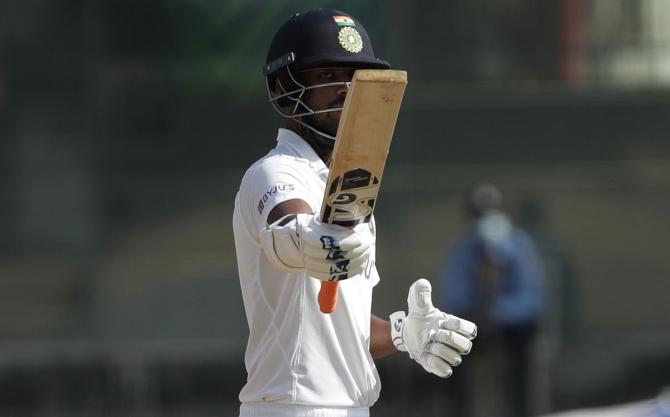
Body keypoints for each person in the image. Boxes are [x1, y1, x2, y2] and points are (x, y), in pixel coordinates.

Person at [232, 8, 478, 417]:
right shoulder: (273, 171)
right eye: (328, 76)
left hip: (350, 407)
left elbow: (343, 326)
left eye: (354, 77)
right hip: (291, 407)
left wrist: (402, 333)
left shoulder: (347, 184)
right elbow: (286, 224)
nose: (346, 89)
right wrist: (304, 239)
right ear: (284, 88)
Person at [439, 183, 545, 417]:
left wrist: (498, 312)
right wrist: (475, 314)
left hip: (513, 327)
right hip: (475, 324)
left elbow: (530, 300)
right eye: (480, 214)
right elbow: (453, 298)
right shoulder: (463, 250)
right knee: (447, 350)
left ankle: (523, 412)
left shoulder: (520, 245)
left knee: (524, 356)